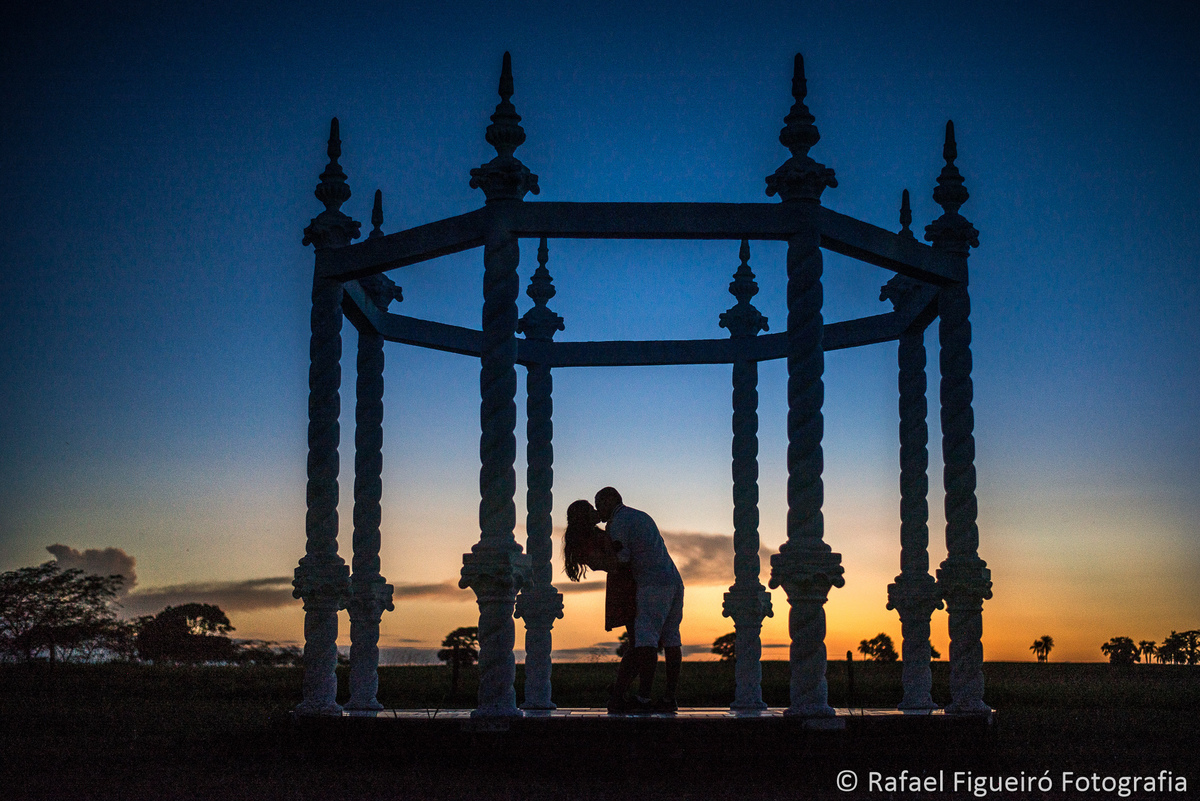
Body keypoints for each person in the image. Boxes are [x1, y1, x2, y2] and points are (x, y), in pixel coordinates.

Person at [595, 486, 684, 713]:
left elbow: (622, 559)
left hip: (652, 584)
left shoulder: (618, 523)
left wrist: (598, 561)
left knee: (646, 641)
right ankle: (669, 697)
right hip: (674, 579)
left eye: (599, 505)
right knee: (672, 638)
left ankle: (643, 698)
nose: (598, 511)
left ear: (609, 501)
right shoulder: (640, 516)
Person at [561, 500, 643, 703]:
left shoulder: (597, 533)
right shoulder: (585, 543)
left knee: (640, 642)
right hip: (623, 588)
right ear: (584, 516)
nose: (596, 512)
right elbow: (610, 564)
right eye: (591, 510)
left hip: (628, 584)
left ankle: (619, 690)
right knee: (638, 643)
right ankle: (618, 693)